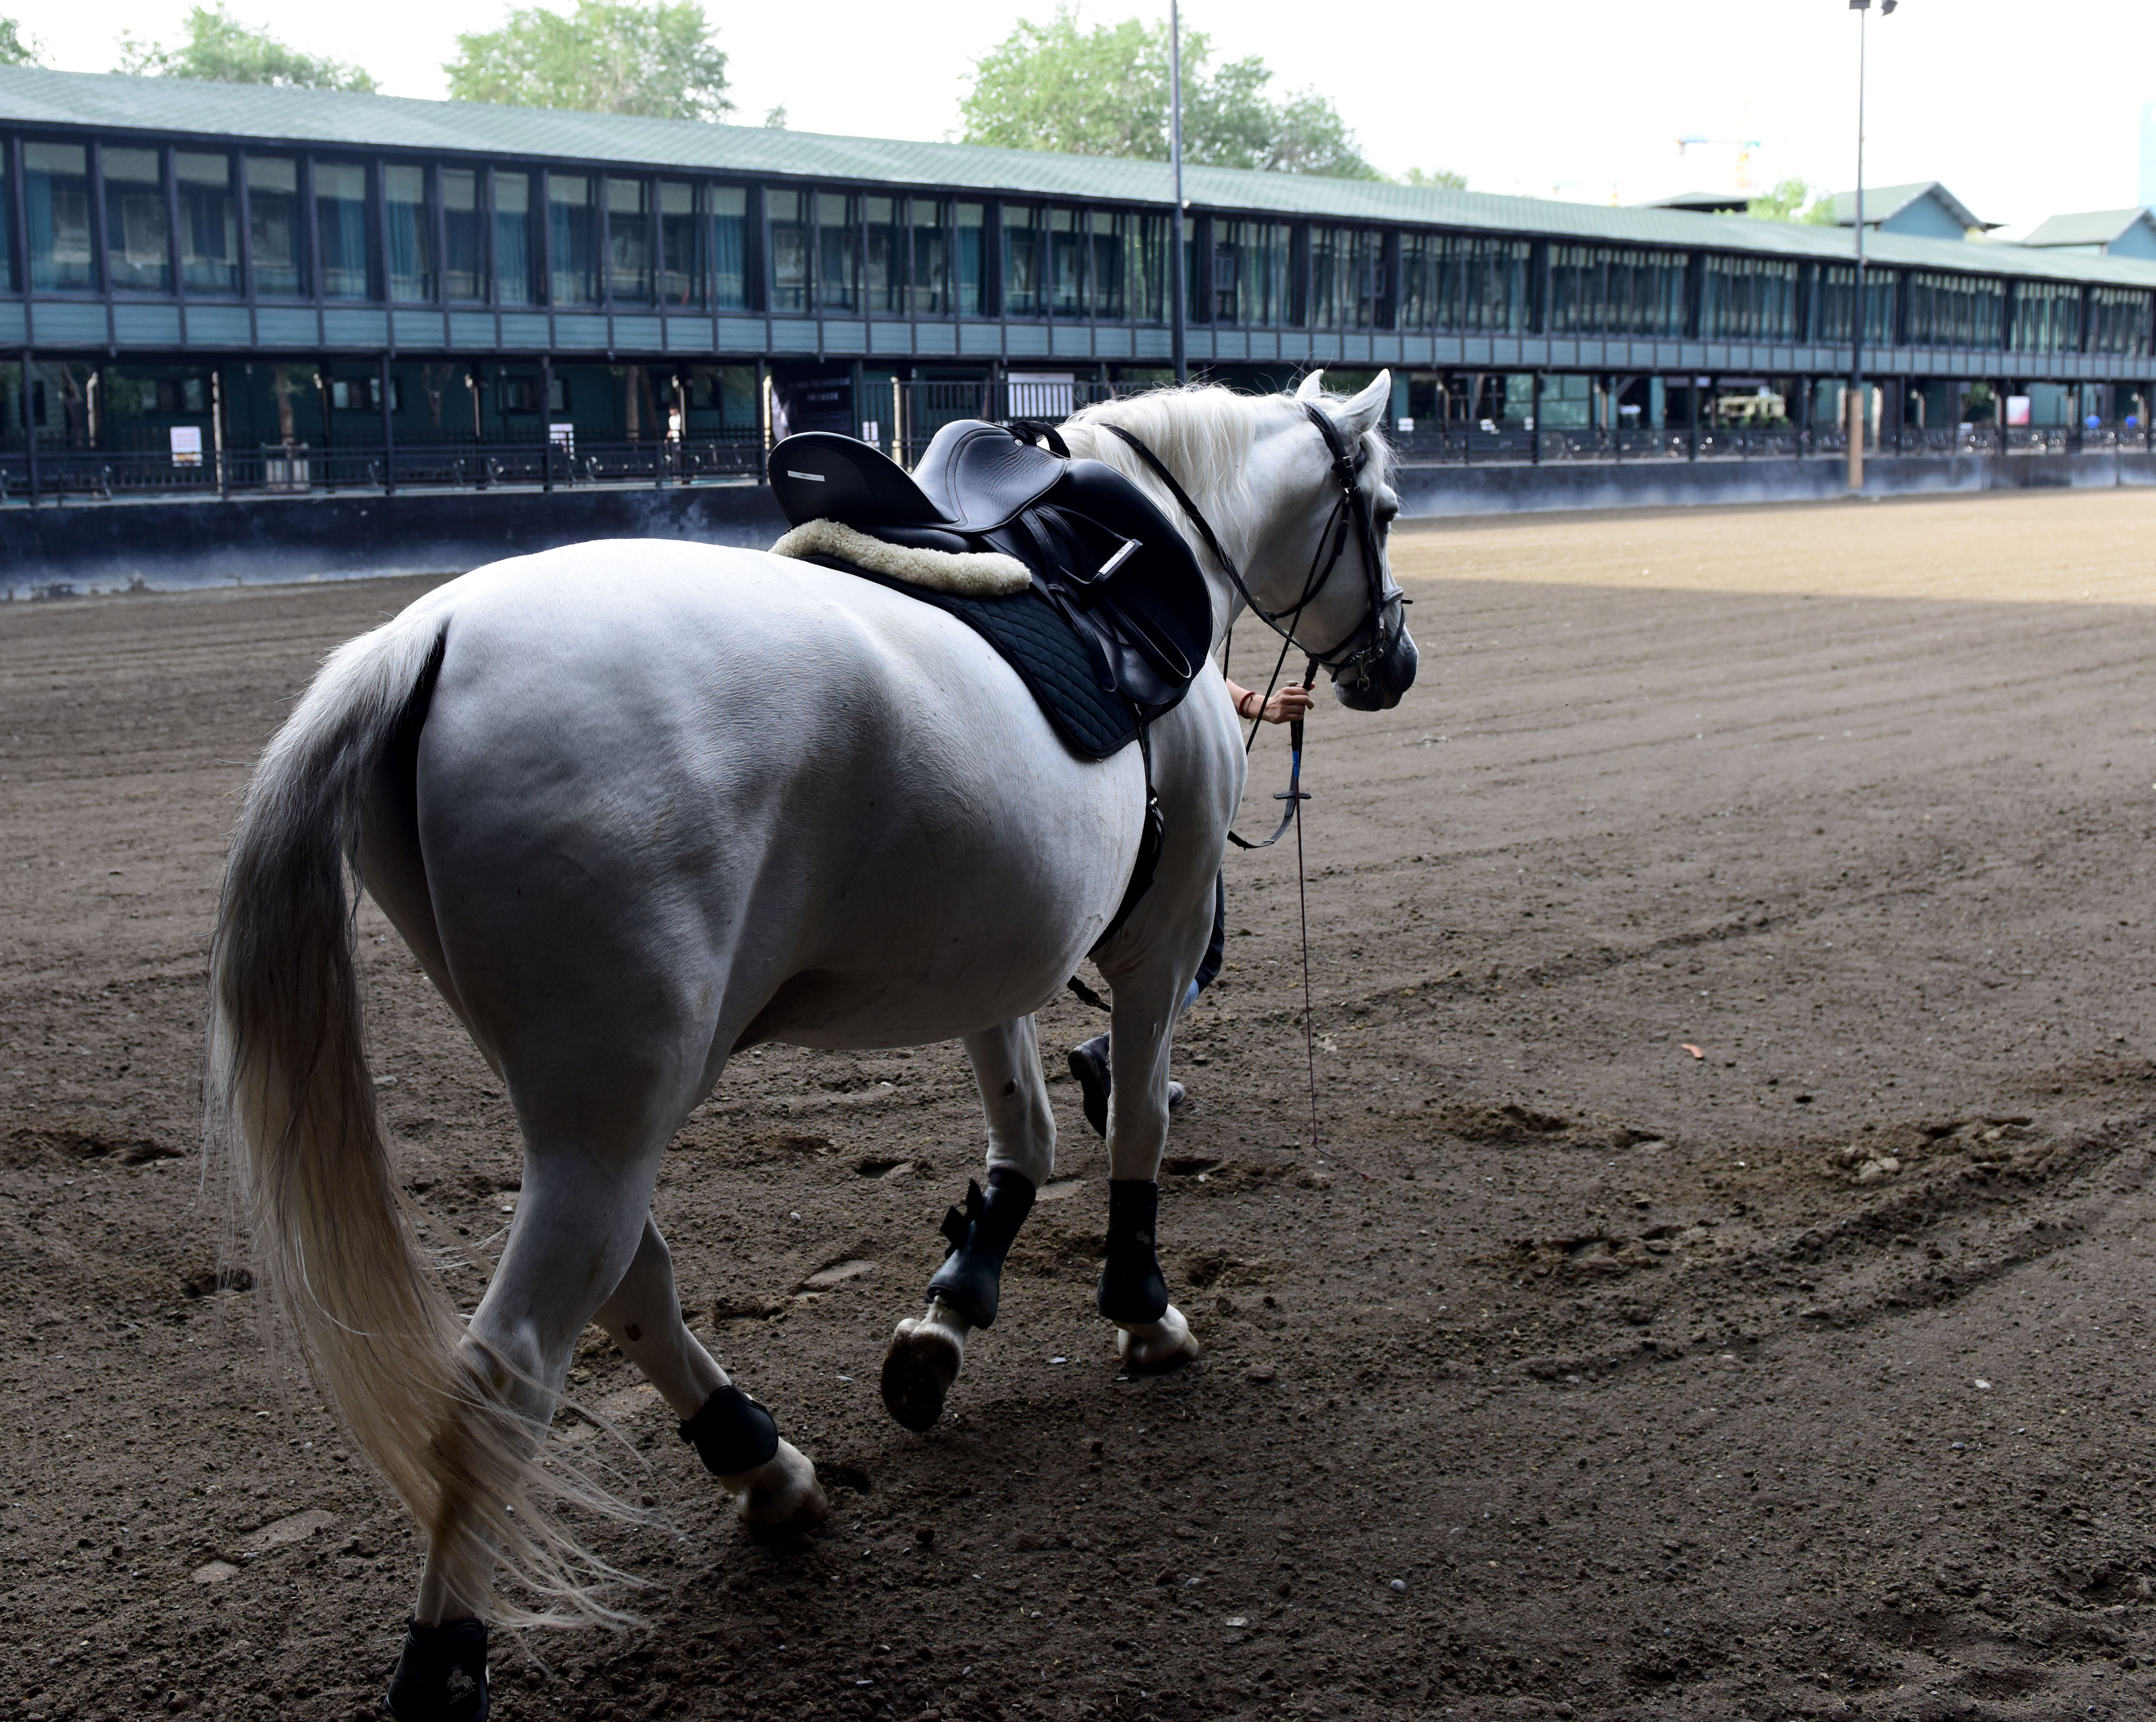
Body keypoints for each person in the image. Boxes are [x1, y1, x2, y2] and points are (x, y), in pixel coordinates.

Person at [1067, 677, 1314, 1135]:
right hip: (1169, 793)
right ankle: (1115, 1057)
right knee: (1199, 958)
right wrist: (1257, 705)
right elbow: (1190, 665)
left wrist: (1253, 704)